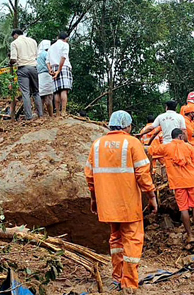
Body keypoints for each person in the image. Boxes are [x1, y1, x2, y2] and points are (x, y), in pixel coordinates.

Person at [84, 110, 157, 292]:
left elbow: (89, 176)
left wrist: (94, 200)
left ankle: (117, 277)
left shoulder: (97, 144)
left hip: (108, 204)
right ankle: (129, 283)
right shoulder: (132, 143)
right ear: (127, 126)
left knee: (115, 239)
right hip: (128, 204)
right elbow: (142, 174)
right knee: (132, 241)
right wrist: (151, 196)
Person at [151, 128, 194, 244]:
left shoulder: (166, 147)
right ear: (180, 136)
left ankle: (190, 236)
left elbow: (151, 151)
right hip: (193, 181)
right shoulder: (189, 147)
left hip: (178, 183)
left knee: (184, 209)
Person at [10, 29, 42, 120]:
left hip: (23, 68)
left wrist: (10, 62)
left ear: (15, 35)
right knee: (36, 92)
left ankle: (29, 116)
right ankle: (41, 115)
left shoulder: (14, 43)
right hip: (33, 67)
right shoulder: (33, 41)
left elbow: (13, 59)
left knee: (25, 93)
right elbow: (36, 55)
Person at [48, 32, 72, 116]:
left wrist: (50, 69)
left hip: (53, 67)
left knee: (57, 91)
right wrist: (59, 69)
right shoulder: (65, 45)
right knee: (64, 90)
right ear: (66, 39)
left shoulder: (51, 47)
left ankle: (57, 112)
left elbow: (47, 61)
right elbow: (63, 57)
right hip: (63, 66)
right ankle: (63, 111)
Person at [36, 39, 54, 117]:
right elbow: (49, 64)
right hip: (46, 75)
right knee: (48, 97)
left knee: (41, 97)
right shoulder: (46, 54)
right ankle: (51, 116)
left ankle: (40, 115)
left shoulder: (37, 56)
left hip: (39, 77)